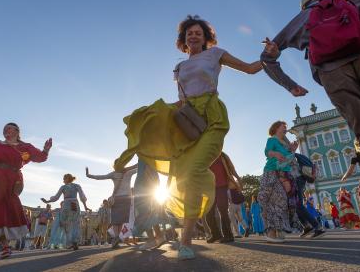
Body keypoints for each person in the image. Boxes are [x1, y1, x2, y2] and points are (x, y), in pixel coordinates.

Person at [112, 15, 264, 260]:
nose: (193, 36)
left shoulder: (216, 55)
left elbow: (250, 68)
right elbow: (182, 100)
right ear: (183, 39)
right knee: (184, 177)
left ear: (206, 38)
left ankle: (186, 241)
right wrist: (157, 111)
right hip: (189, 121)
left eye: (198, 33)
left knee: (193, 171)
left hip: (212, 119)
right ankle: (184, 229)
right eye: (189, 33)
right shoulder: (180, 67)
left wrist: (270, 55)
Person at [261, 0, 360, 225]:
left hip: (333, 73)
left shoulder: (302, 19)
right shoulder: (349, 0)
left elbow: (266, 58)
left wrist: (291, 85)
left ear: (304, 6)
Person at [0, 123, 52, 258]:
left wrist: (46, 149)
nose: (6, 130)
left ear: (18, 132)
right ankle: (4, 245)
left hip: (12, 181)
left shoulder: (25, 147)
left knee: (8, 210)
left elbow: (40, 157)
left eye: (10, 128)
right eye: (4, 128)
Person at [258, 121, 296, 243]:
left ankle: (278, 230)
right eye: (283, 127)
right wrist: (275, 153)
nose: (285, 129)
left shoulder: (285, 144)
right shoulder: (272, 140)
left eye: (286, 127)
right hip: (271, 172)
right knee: (272, 201)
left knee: (282, 200)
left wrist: (292, 150)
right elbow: (267, 152)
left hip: (283, 173)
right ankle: (271, 231)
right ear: (276, 128)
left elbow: (288, 157)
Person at [86, 164, 139, 248]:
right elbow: (139, 167)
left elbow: (101, 177)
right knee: (121, 220)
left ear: (114, 166)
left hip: (116, 198)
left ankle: (116, 237)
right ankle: (117, 238)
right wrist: (138, 160)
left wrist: (89, 175)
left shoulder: (114, 174)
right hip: (127, 198)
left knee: (115, 220)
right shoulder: (128, 172)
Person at [41, 174, 91, 250]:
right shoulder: (77, 186)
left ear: (67, 179)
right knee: (75, 223)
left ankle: (69, 242)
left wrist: (48, 201)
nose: (63, 180)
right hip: (75, 205)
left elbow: (56, 197)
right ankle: (75, 241)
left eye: (64, 179)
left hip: (66, 205)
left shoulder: (63, 187)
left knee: (66, 224)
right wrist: (85, 206)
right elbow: (82, 196)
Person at [205, 153, 239, 243]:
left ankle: (228, 235)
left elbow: (231, 168)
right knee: (208, 212)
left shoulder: (223, 156)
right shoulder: (205, 154)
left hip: (222, 186)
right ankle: (216, 234)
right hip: (209, 188)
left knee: (223, 211)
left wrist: (238, 178)